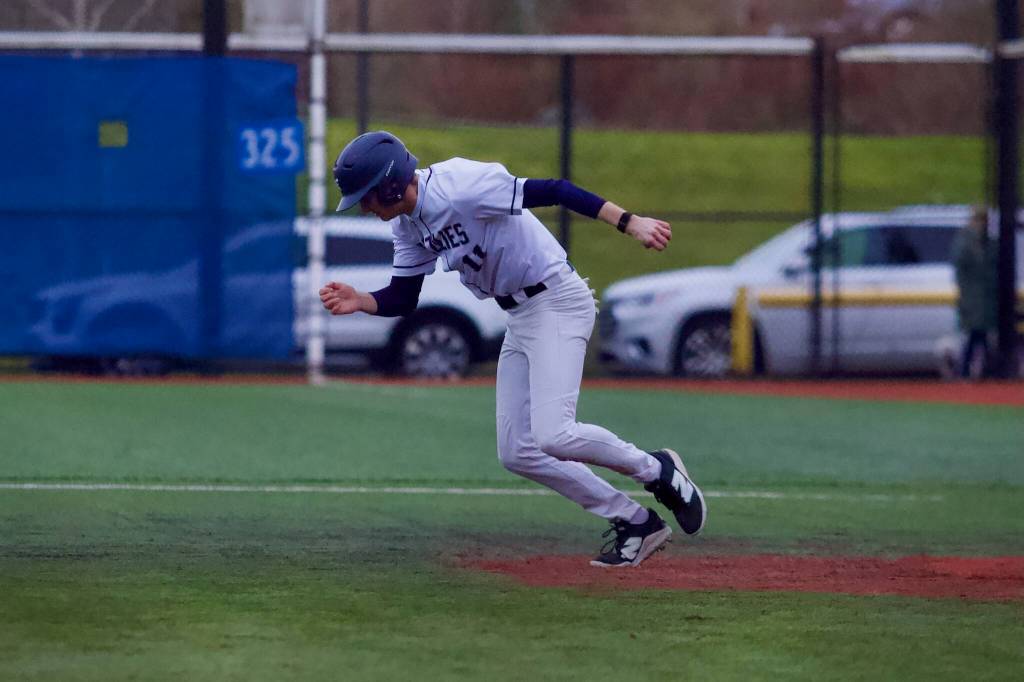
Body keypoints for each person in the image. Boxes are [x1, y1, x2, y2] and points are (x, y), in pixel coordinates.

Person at [320, 131, 706, 568]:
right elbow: (402, 298)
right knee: (517, 450)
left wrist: (629, 222)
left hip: (557, 299)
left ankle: (658, 472)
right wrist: (361, 300)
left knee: (553, 434)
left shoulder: (460, 184)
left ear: (390, 185)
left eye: (368, 197)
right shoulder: (406, 226)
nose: (366, 208)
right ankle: (636, 521)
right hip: (520, 316)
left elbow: (555, 190)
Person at [952, 206, 997, 379]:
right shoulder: (966, 241)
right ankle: (965, 371)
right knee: (975, 336)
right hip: (973, 298)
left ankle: (981, 371)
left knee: (981, 336)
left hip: (985, 300)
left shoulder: (989, 242)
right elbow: (962, 263)